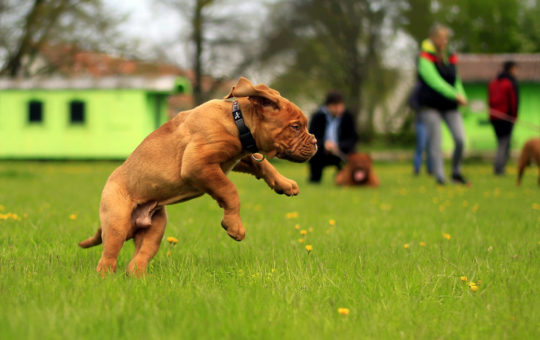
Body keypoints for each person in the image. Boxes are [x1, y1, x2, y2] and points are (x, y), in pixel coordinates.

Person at [417, 24, 468, 185]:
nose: (444, 41)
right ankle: (440, 177)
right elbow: (433, 81)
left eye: (446, 38)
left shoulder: (450, 55)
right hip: (430, 105)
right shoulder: (424, 56)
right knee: (435, 142)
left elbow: (456, 79)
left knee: (460, 139)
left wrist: (461, 95)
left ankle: (456, 173)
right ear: (432, 38)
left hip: (450, 106)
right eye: (441, 37)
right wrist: (454, 94)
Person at [308, 91, 358, 183]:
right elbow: (311, 136)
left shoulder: (347, 117)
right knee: (314, 155)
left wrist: (338, 145)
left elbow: (353, 138)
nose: (340, 109)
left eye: (341, 106)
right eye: (336, 106)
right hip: (322, 151)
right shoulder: (317, 117)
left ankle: (345, 180)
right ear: (329, 106)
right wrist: (324, 144)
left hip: (341, 151)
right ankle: (314, 180)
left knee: (352, 155)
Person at [488, 61, 519, 175]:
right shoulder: (509, 83)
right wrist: (514, 117)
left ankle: (499, 167)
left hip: (494, 117)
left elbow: (489, 101)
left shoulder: (493, 83)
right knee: (504, 143)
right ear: (511, 69)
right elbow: (513, 102)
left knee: (501, 142)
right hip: (506, 117)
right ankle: (499, 168)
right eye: (515, 69)